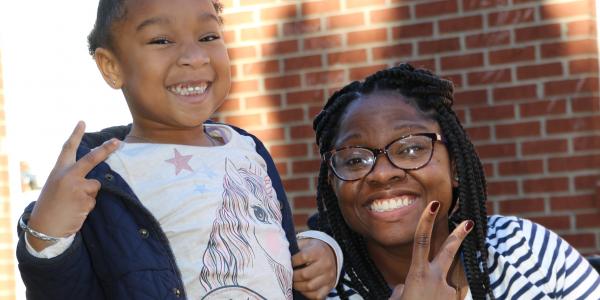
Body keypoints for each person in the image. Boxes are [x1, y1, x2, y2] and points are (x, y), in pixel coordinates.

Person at [15, 0, 342, 299]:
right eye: (162, 41)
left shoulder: (247, 150)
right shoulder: (101, 174)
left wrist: (324, 253)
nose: (195, 56)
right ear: (111, 66)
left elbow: (281, 255)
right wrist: (47, 235)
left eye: (208, 37)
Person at [310, 63, 600, 299]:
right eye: (355, 159)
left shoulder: (525, 249)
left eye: (412, 148)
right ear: (333, 184)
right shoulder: (319, 291)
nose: (383, 173)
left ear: (455, 167)